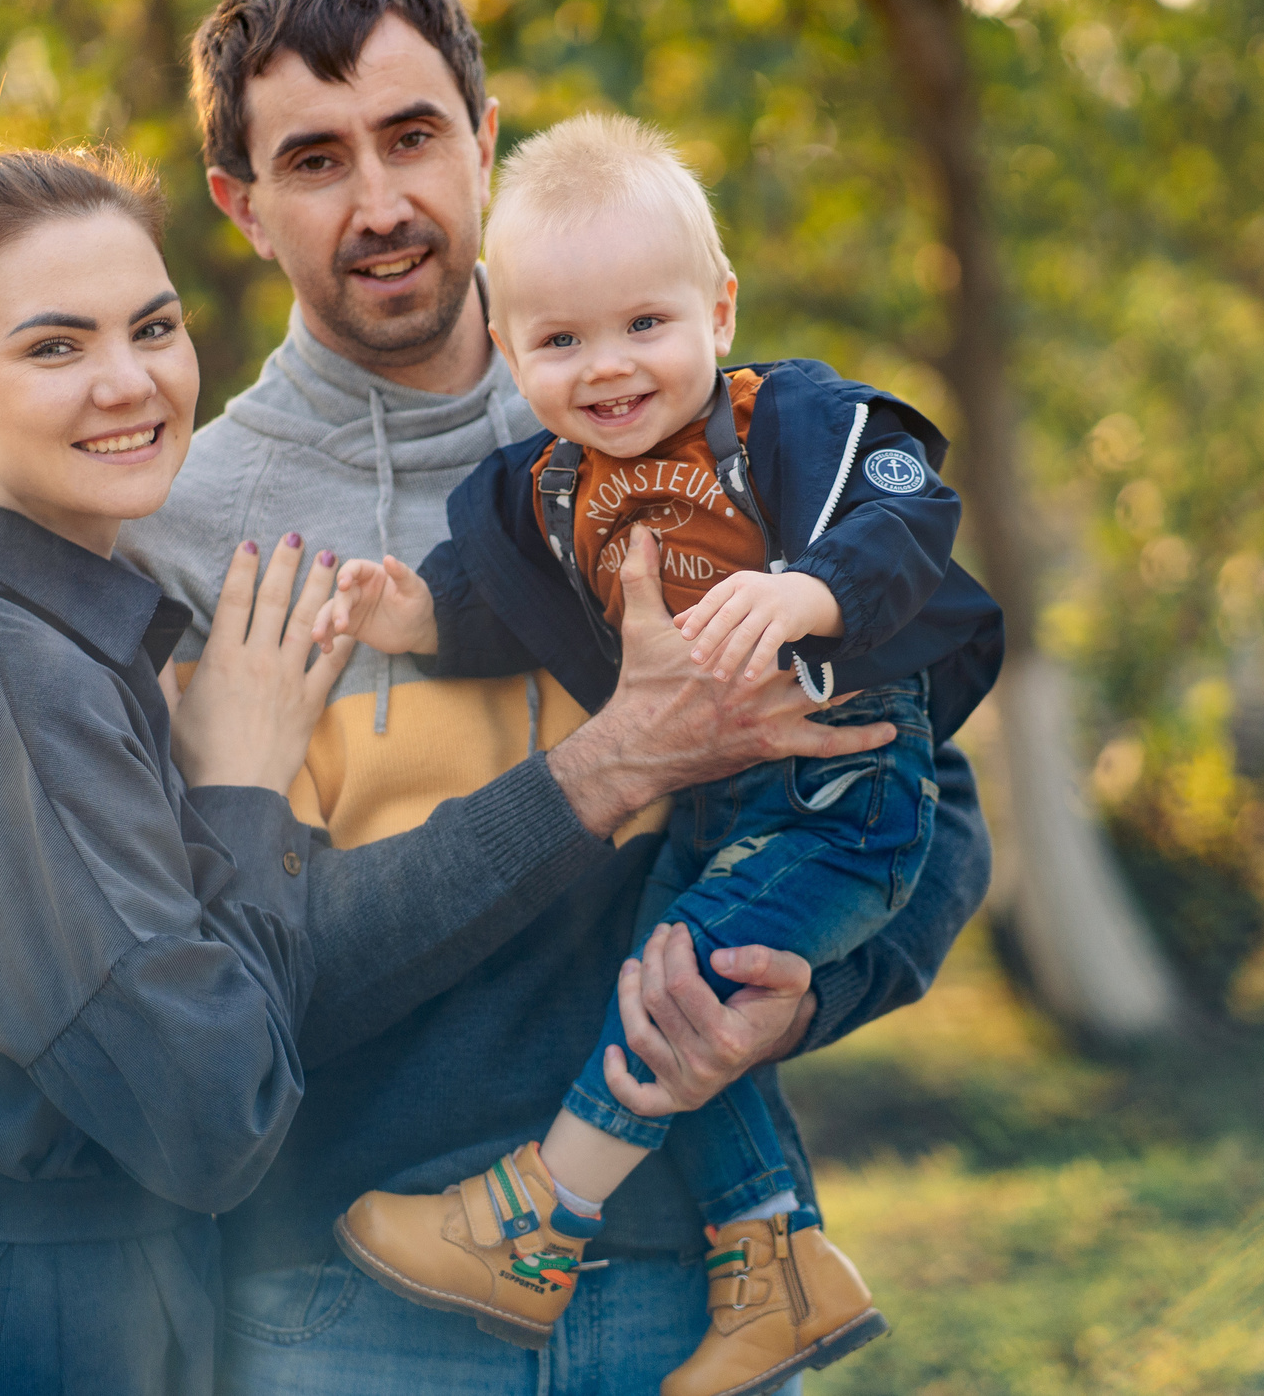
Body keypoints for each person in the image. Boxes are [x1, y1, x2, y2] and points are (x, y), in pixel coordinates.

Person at [119, 0, 996, 1396]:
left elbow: (930, 808)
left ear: (484, 139)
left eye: (412, 137)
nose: (381, 201)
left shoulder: (684, 420)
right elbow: (217, 981)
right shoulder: (185, 536)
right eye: (316, 159)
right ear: (243, 205)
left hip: (687, 1282)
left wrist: (805, 1001)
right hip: (352, 1300)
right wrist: (619, 757)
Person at [317, 113, 1005, 1396]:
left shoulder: (781, 426)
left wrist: (811, 594)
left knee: (667, 975)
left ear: (720, 309)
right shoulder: (548, 491)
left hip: (841, 792)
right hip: (709, 813)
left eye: (645, 325)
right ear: (507, 340)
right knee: (683, 993)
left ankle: (537, 1218)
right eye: (560, 341)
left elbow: (909, 510)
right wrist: (410, 616)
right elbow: (499, 602)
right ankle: (772, 1255)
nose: (609, 368)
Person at [0, 132, 354, 1395]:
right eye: (56, 347)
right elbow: (218, 1118)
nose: (131, 383)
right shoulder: (7, 680)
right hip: (24, 1341)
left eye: (151, 330)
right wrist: (244, 789)